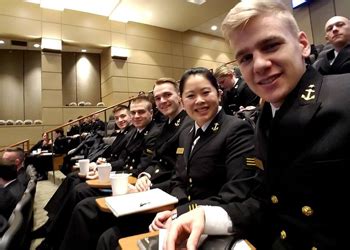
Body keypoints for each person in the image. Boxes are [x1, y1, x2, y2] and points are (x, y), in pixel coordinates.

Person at [166, 1, 348, 249]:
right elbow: (265, 202)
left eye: (271, 46)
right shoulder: (266, 119)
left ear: (303, 45)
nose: (260, 64)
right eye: (246, 57)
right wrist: (207, 216)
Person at [93, 67, 263, 250]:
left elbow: (235, 194)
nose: (199, 101)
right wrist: (170, 210)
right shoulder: (188, 134)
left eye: (206, 92)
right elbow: (178, 180)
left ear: (219, 94)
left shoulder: (236, 129)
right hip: (178, 210)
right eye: (190, 96)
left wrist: (178, 212)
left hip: (209, 219)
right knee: (108, 237)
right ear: (183, 100)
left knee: (116, 242)